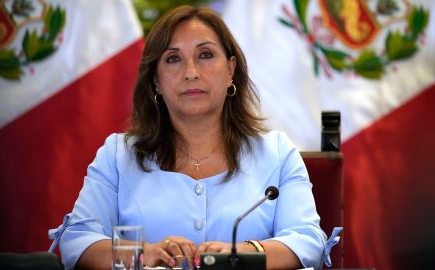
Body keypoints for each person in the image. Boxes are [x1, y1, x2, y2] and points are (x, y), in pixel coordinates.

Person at [49, 5, 330, 270]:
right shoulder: (118, 155)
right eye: (173, 59)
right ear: (156, 80)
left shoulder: (277, 153)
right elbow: (77, 240)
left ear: (231, 68)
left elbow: (307, 240)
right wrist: (142, 253)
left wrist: (247, 252)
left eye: (205, 55)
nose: (191, 73)